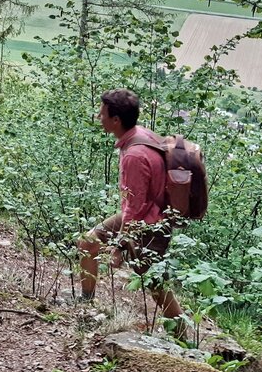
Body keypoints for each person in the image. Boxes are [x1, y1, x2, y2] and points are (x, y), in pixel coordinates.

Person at [77, 89, 184, 327]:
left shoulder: (134, 156)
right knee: (88, 241)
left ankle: (183, 336)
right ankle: (86, 302)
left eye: (102, 113)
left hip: (150, 223)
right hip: (144, 215)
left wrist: (119, 246)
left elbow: (134, 209)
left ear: (116, 120)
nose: (98, 117)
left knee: (156, 284)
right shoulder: (140, 134)